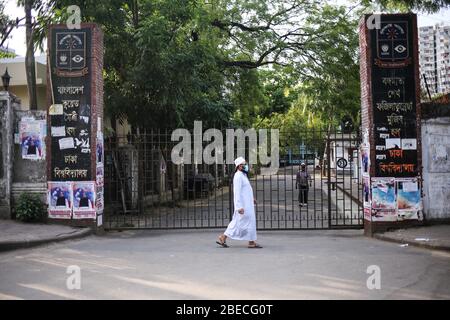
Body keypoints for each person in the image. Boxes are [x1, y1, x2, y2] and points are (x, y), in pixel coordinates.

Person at [216, 157, 262, 249]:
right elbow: (236, 193)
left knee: (249, 222)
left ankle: (251, 241)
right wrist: (238, 207)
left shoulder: (243, 175)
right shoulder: (238, 176)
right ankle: (223, 237)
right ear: (239, 166)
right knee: (238, 222)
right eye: (244, 164)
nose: (246, 166)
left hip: (248, 204)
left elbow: (246, 189)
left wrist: (252, 198)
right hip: (243, 205)